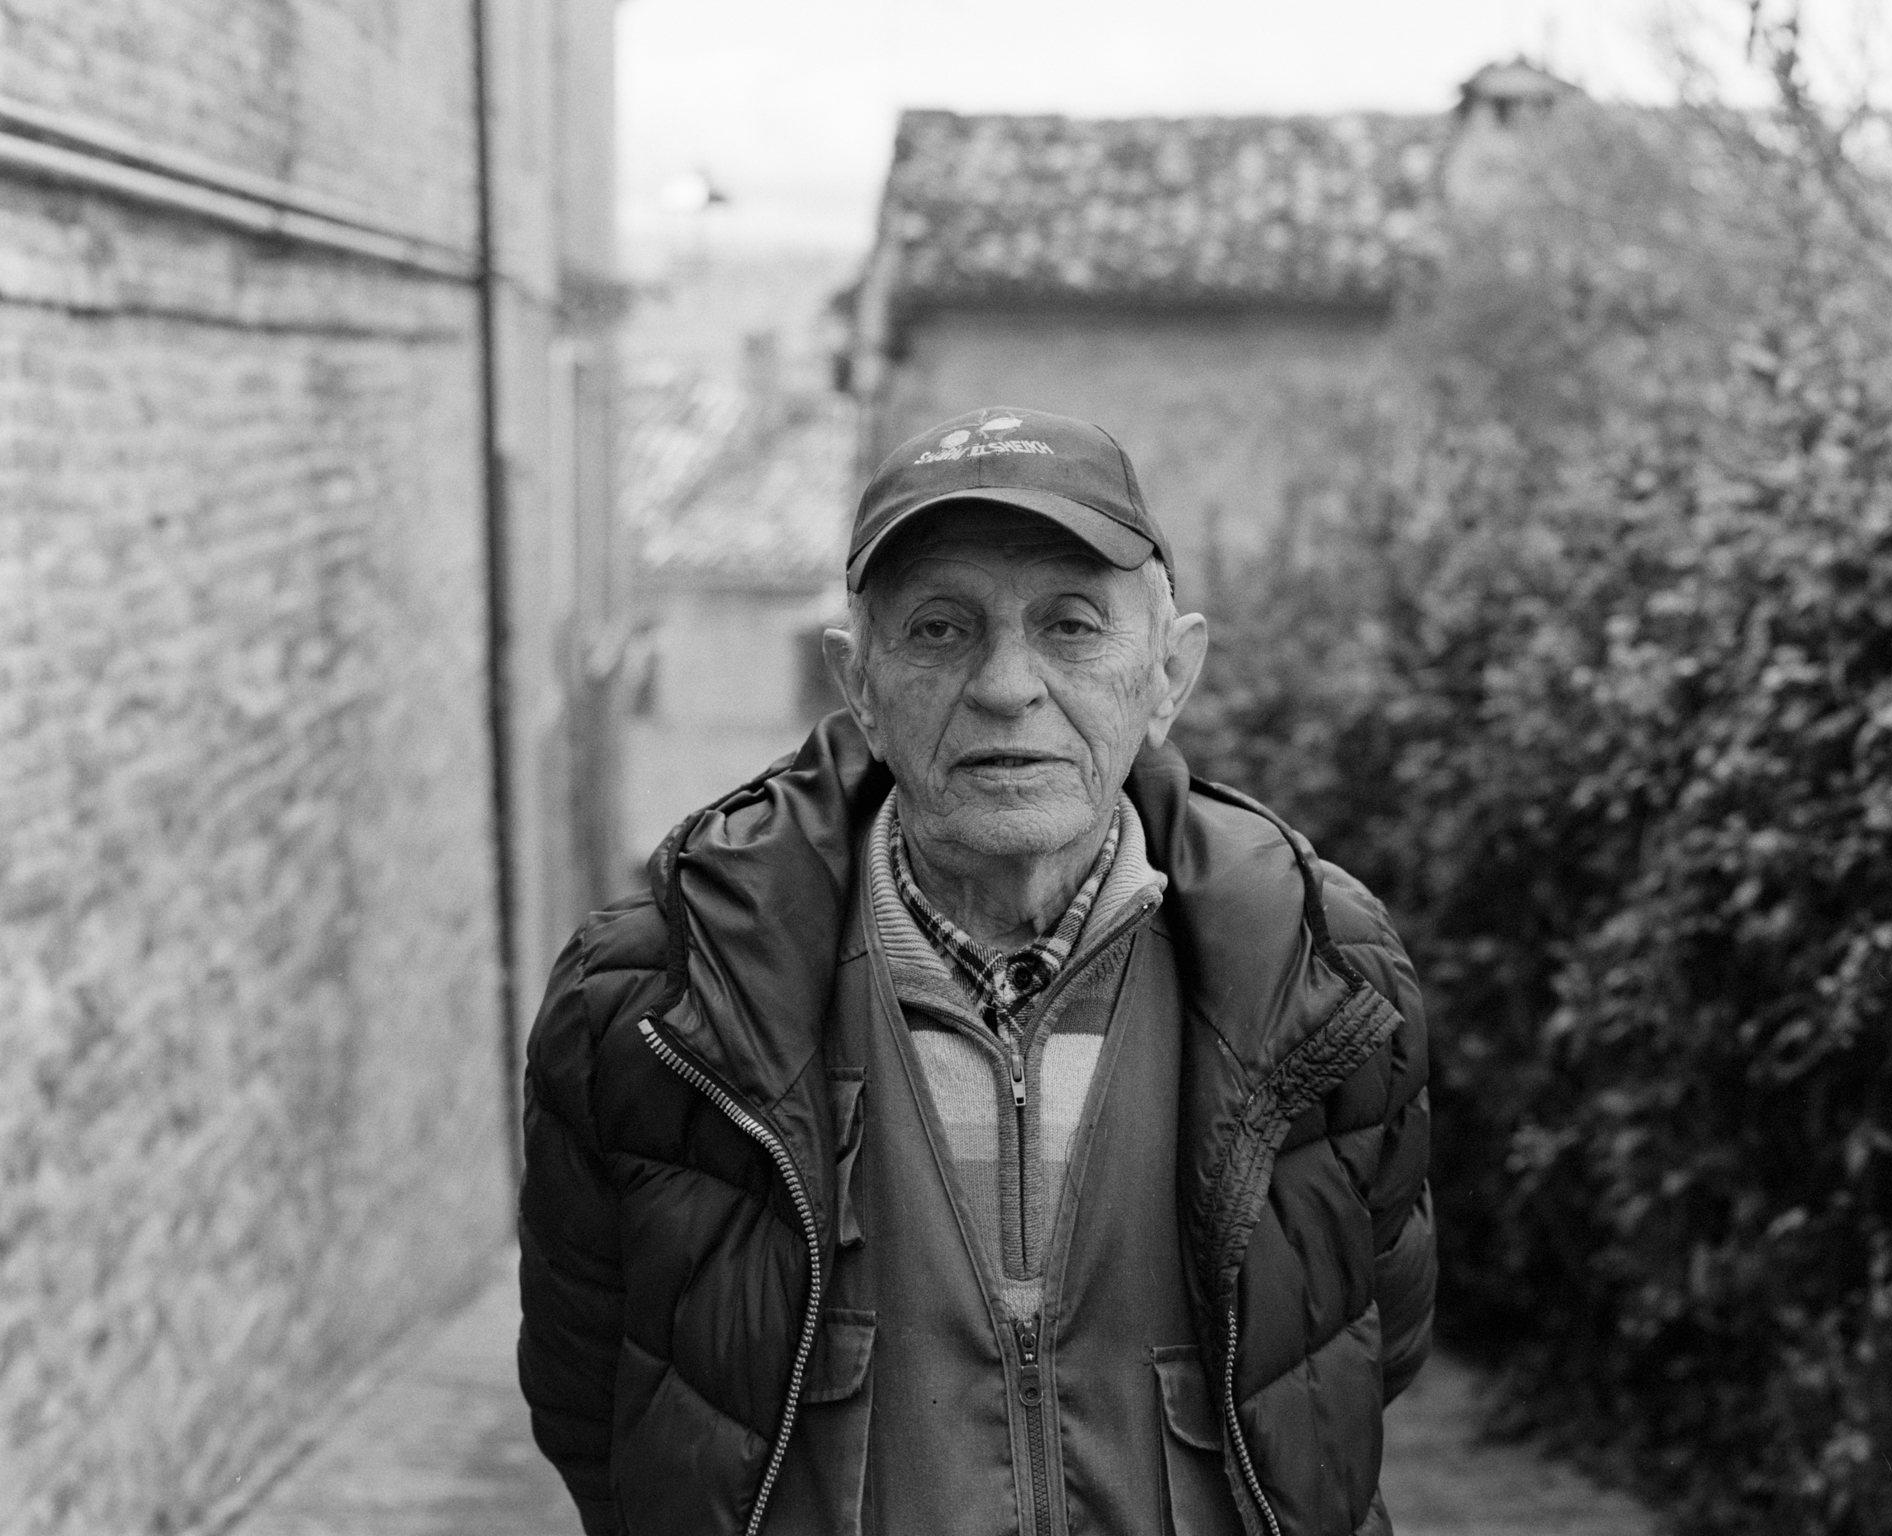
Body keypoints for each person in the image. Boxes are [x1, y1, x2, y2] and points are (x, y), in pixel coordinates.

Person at [517, 406, 1435, 1536]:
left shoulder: (1323, 975)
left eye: (1071, 626)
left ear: (1169, 673)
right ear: (858, 683)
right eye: (940, 629)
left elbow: (1351, 1366)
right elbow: (600, 1411)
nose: (1006, 686)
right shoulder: (652, 1001)